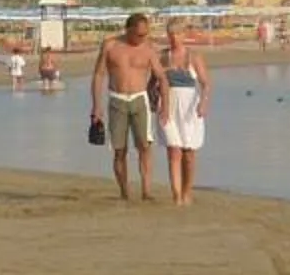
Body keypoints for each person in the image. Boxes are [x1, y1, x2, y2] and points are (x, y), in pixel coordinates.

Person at [91, 11, 165, 201]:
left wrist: (164, 103)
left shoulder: (148, 49)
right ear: (129, 29)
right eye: (139, 34)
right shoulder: (111, 46)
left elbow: (160, 76)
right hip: (117, 98)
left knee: (144, 146)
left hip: (140, 98)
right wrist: (96, 106)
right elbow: (99, 75)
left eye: (145, 34)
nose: (142, 38)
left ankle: (146, 191)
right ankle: (124, 191)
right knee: (119, 149)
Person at [157, 21, 212, 206]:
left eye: (177, 33)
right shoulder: (163, 57)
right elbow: (152, 81)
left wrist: (203, 103)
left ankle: (187, 191)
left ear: (183, 35)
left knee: (188, 153)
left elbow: (206, 83)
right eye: (171, 34)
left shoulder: (194, 57)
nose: (174, 37)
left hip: (190, 106)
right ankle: (177, 196)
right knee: (174, 150)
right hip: (168, 104)